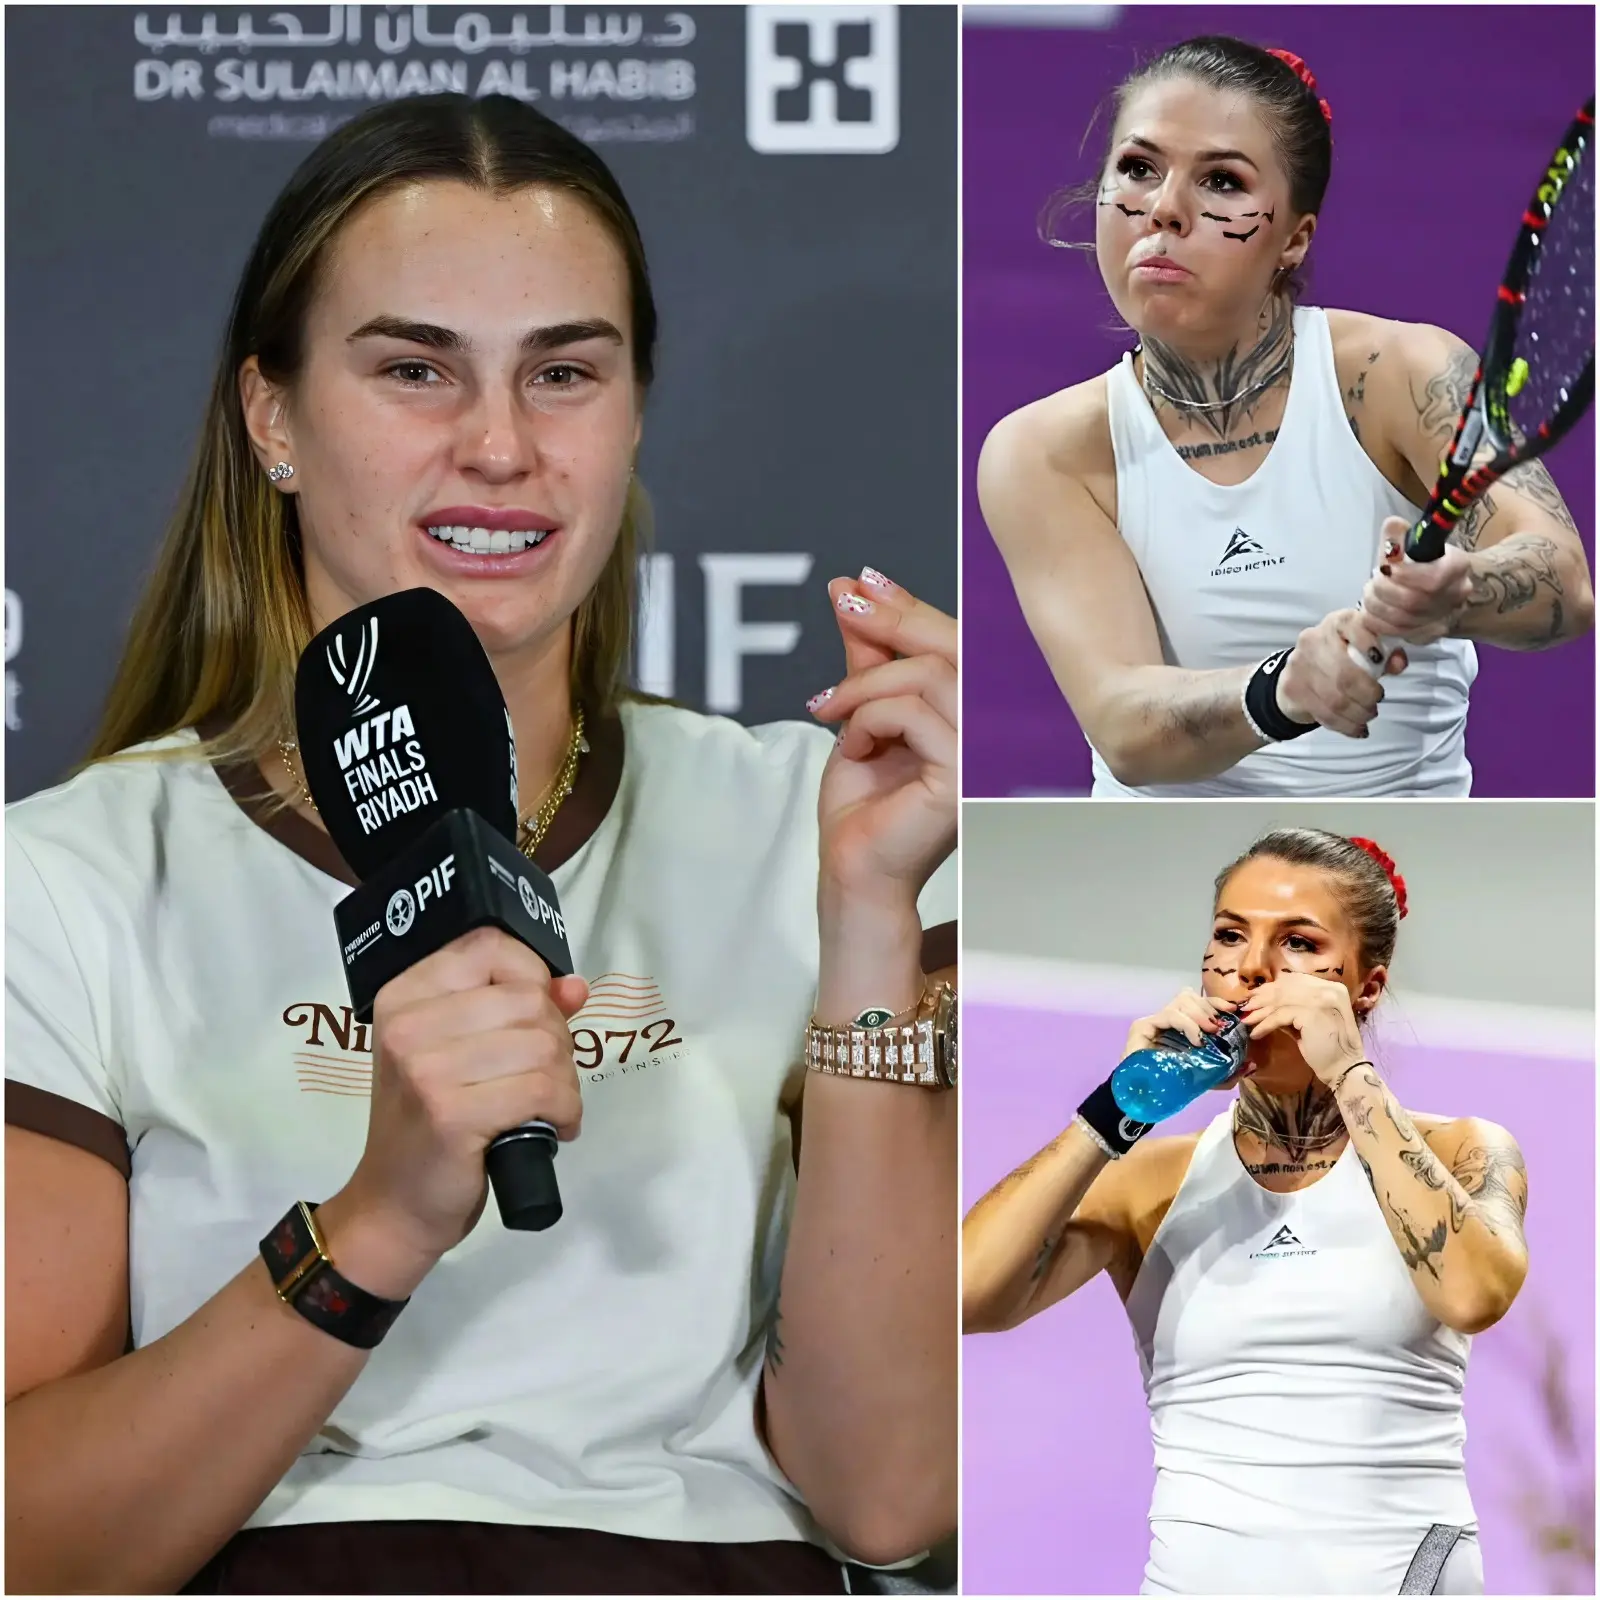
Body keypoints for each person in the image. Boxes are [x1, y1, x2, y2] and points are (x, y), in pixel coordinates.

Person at [5, 95, 958, 1595]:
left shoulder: (830, 827)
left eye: (563, 373)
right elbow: (32, 1542)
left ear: (632, 413)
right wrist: (377, 1221)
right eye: (414, 369)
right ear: (271, 418)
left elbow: (889, 1499)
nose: (501, 447)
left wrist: (869, 933)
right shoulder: (69, 879)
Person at [977, 36, 1593, 798]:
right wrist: (1283, 690)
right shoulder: (1042, 450)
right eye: (1138, 168)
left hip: (1407, 848)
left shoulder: (1397, 375)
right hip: (1149, 860)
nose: (1164, 209)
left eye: (1222, 181)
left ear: (1294, 239)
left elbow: (1566, 583)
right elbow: (1125, 723)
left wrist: (1457, 591)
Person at [963, 828, 1528, 1595]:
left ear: (1365, 987)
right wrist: (1115, 1107)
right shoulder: (1151, 1181)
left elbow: (1474, 1294)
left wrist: (1349, 1071)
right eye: (1230, 935)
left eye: (1298, 943)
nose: (1252, 967)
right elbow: (966, 1297)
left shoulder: (1460, 1149)